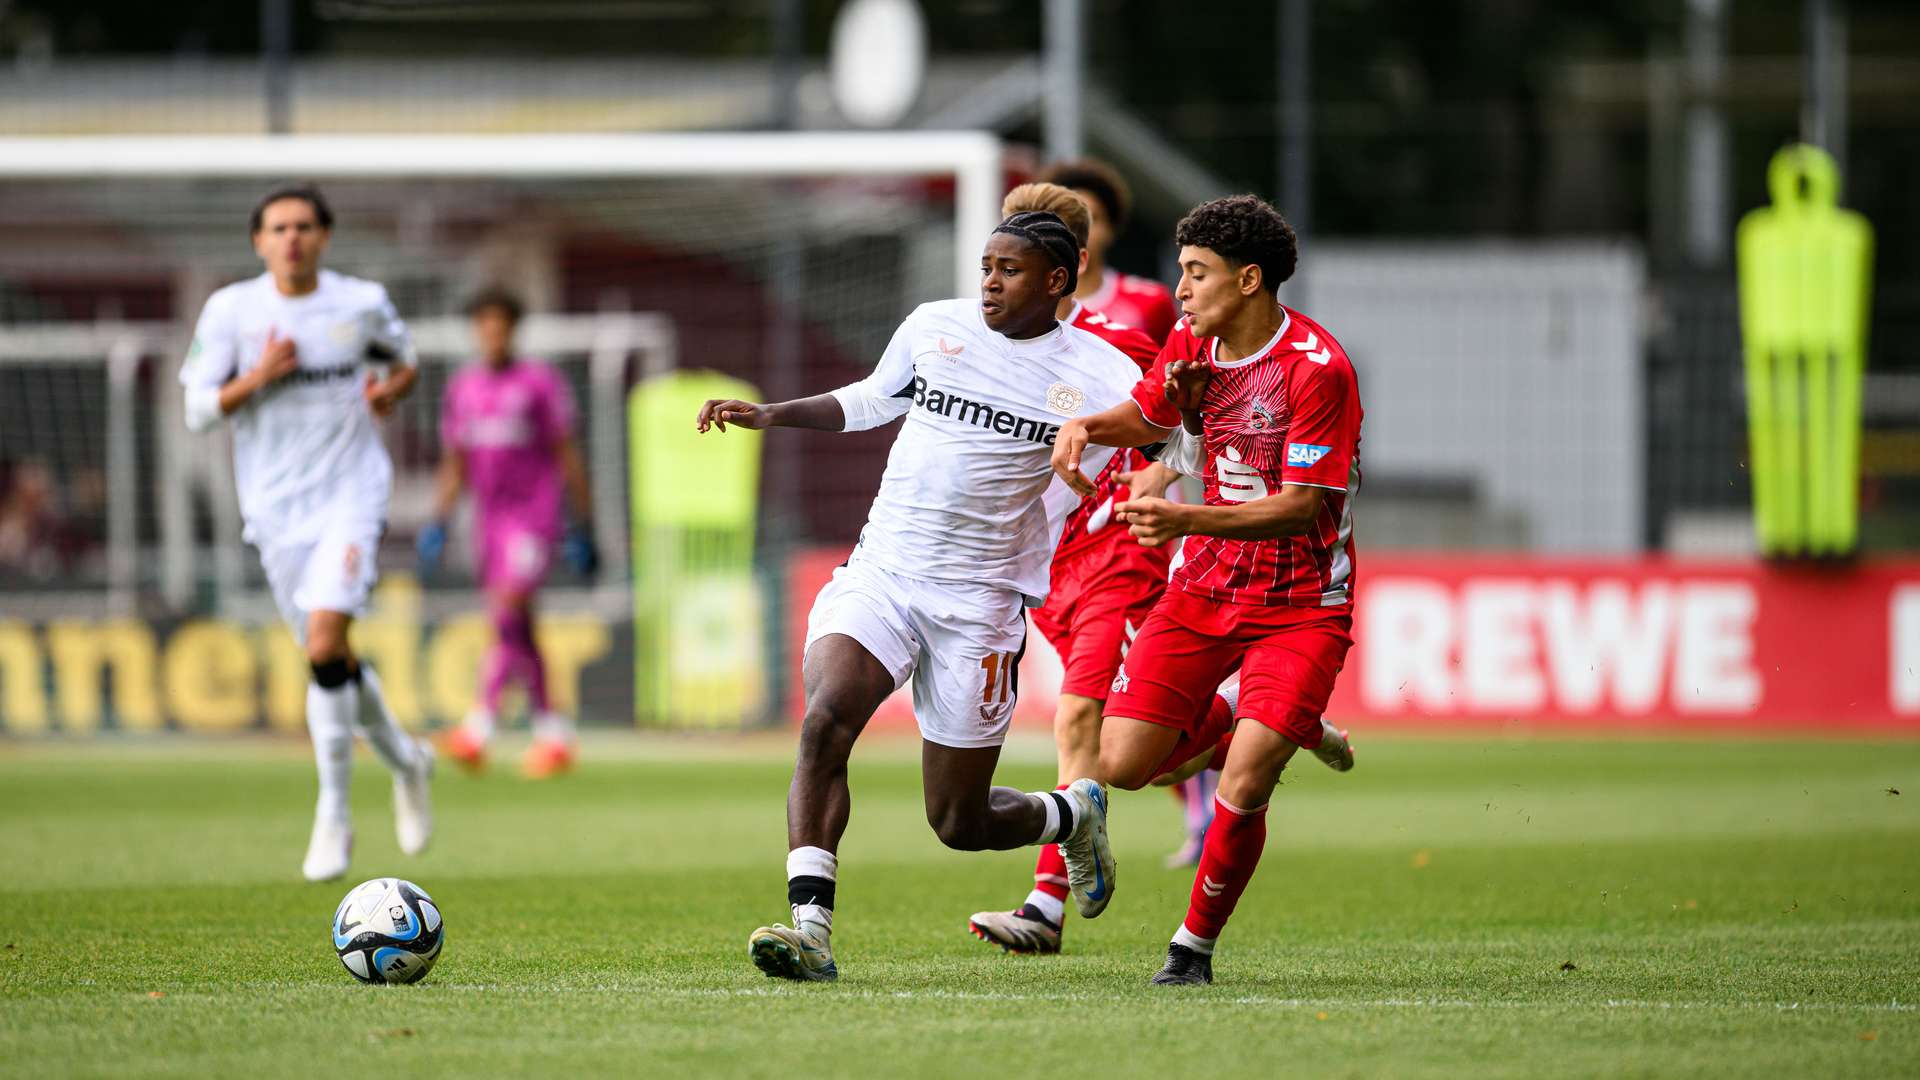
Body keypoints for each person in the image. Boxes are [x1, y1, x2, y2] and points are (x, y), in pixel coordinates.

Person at [696, 212, 1140, 983]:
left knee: (958, 823)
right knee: (826, 718)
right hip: (886, 574)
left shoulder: (1102, 374)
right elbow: (871, 399)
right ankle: (812, 928)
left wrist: (1171, 487)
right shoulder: (935, 327)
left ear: (1058, 281)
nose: (990, 281)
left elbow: (1173, 434)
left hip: (983, 604)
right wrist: (773, 413)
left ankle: (1073, 814)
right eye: (987, 265)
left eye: (1010, 269)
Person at [1050, 194, 1362, 986]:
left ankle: (1191, 948)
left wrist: (1184, 516)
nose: (1181, 291)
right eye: (1181, 273)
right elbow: (1150, 415)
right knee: (1121, 766)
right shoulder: (1193, 339)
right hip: (1202, 594)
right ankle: (1267, 720)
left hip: (1300, 605)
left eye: (1197, 273)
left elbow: (1300, 509)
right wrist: (1089, 426)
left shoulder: (1317, 371)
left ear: (1249, 280)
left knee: (1246, 781)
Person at [964, 183, 1237, 956]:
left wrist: (1156, 485)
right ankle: (1265, 724)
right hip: (1048, 567)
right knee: (1140, 758)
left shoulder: (1117, 339)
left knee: (1077, 718)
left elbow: (1185, 417)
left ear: (1070, 262)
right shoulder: (982, 341)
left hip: (1116, 549)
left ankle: (1045, 902)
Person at [180, 184, 434, 883]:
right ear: (258, 241)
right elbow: (199, 411)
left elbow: (404, 361)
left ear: (324, 236)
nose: (291, 238)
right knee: (333, 658)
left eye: (303, 226)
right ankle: (408, 762)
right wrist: (257, 377)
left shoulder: (360, 303)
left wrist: (392, 390)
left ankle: (334, 813)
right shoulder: (233, 311)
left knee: (324, 642)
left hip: (351, 492)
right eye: (277, 228)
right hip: (275, 509)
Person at [419, 287, 599, 779]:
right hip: (489, 522)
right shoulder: (463, 388)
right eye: (485, 326)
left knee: (508, 608)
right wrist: (437, 520)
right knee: (519, 626)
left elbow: (566, 453)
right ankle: (555, 736)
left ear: (513, 330)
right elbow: (455, 461)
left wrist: (584, 522)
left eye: (501, 326)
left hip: (534, 518)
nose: (493, 335)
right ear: (477, 331)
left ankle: (478, 730)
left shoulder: (540, 383)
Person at [1037, 158, 1179, 344]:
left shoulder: (1151, 302)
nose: (1078, 230)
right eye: (1067, 218)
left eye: (1092, 219)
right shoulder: (1024, 305)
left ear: (1111, 230)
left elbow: (1172, 365)